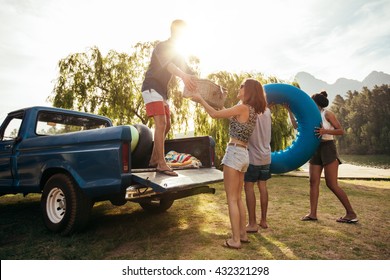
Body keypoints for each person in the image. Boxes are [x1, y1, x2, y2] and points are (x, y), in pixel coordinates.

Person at [191, 78, 267, 249]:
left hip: (234, 153)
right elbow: (225, 111)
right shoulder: (251, 110)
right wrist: (221, 99)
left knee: (232, 199)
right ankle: (242, 234)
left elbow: (215, 115)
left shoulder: (242, 108)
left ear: (248, 91)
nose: (239, 88)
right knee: (237, 198)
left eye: (242, 86)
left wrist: (200, 99)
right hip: (243, 154)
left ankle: (235, 240)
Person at [141, 19, 197, 176]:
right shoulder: (162, 46)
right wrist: (184, 76)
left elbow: (188, 69)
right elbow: (170, 66)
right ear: (174, 31)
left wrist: (207, 87)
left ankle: (153, 159)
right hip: (151, 87)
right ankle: (161, 163)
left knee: (167, 125)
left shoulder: (178, 52)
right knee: (161, 123)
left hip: (162, 92)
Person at [301, 91, 358, 223]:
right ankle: (312, 214)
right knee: (313, 182)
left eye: (311, 101)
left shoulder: (327, 114)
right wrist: (290, 112)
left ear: (316, 103)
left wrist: (325, 131)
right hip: (315, 148)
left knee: (331, 184)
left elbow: (340, 131)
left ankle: (351, 213)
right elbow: (298, 127)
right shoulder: (311, 115)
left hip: (328, 148)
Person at [244, 106, 272, 231]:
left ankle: (252, 223)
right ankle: (264, 221)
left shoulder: (248, 109)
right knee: (263, 187)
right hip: (266, 157)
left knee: (249, 187)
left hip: (253, 158)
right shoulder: (267, 110)